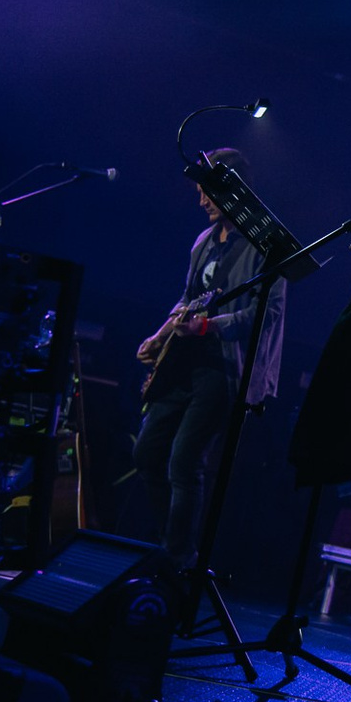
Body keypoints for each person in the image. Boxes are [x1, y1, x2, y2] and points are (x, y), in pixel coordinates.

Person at [133, 148, 286, 568]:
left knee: (184, 461)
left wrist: (209, 327)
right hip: (184, 362)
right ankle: (171, 545)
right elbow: (188, 299)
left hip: (224, 369)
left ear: (234, 190)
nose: (201, 200)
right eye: (200, 191)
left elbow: (267, 314)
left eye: (208, 191)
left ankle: (178, 558)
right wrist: (159, 336)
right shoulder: (203, 242)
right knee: (146, 453)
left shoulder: (265, 245)